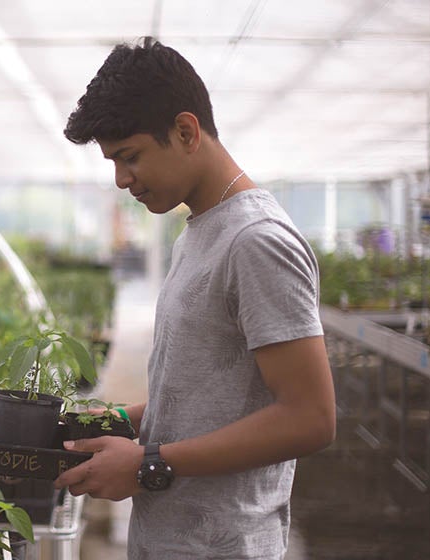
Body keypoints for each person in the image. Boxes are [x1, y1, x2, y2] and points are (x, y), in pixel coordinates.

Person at [53, 39, 337, 559]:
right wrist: (114, 421)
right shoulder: (201, 229)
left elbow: (310, 417)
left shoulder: (257, 241)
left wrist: (149, 462)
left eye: (129, 156)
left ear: (185, 131)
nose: (121, 179)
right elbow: (210, 394)